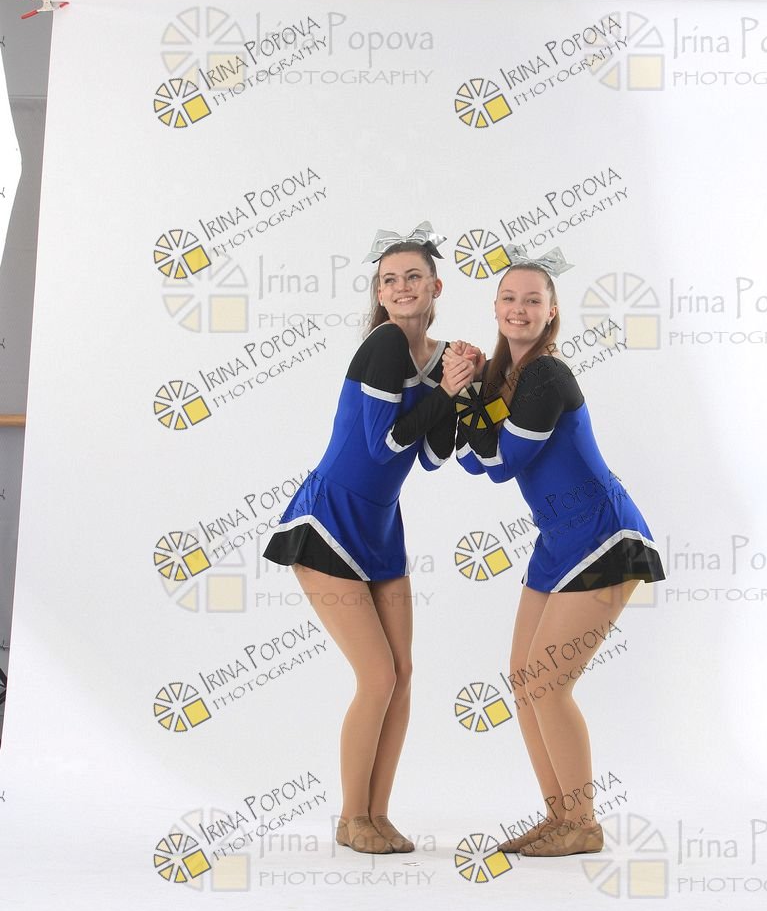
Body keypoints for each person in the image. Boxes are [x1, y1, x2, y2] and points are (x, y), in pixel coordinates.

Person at [263, 225, 476, 855]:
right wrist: (445, 392)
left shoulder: (439, 355)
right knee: (377, 674)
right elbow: (385, 444)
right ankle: (351, 817)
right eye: (390, 280)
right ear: (379, 294)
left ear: (436, 286)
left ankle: (376, 816)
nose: (402, 287)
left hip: (382, 526)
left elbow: (431, 456)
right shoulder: (383, 344)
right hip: (328, 521)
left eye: (414, 277)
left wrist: (462, 387)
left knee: (402, 674)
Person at [450, 255, 664, 857]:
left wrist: (465, 396)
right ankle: (559, 817)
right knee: (525, 682)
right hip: (556, 542)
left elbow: (501, 463)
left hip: (602, 537)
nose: (519, 309)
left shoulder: (546, 375)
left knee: (547, 683)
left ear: (551, 312)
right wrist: (472, 392)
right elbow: (471, 460)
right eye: (509, 298)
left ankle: (583, 823)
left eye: (532, 300)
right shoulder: (507, 380)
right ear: (496, 308)